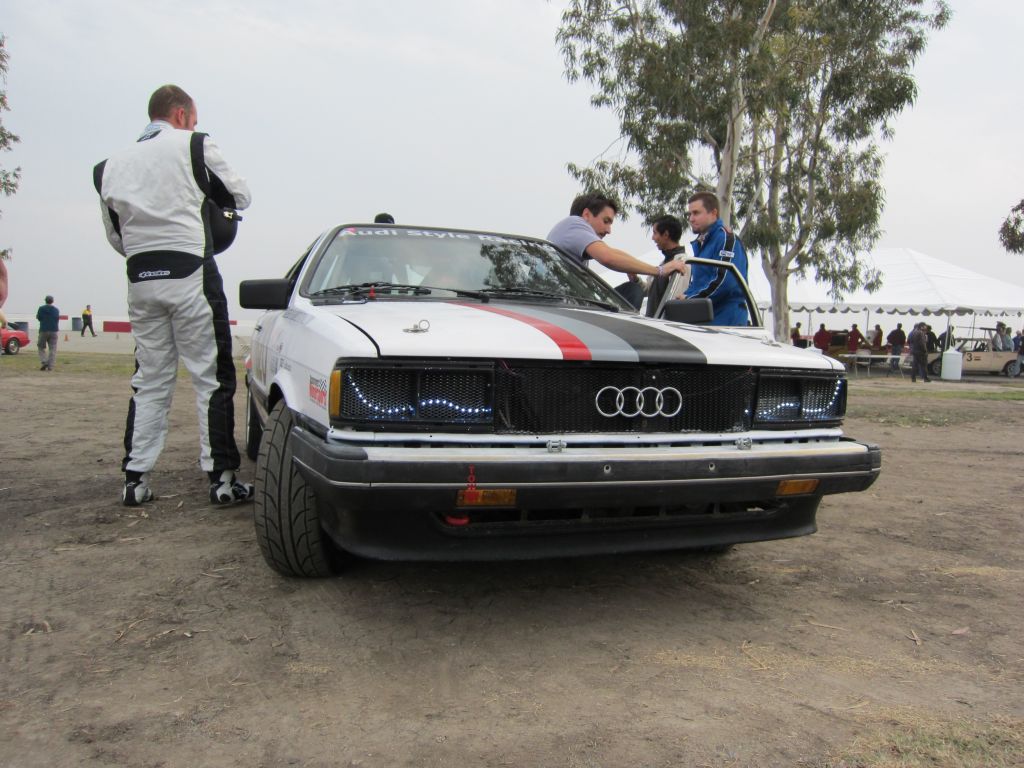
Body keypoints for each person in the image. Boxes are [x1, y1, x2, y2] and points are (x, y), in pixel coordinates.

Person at [94, 84, 254, 508]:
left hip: (141, 278)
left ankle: (134, 480)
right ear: (181, 115)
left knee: (149, 379)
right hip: (191, 272)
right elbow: (240, 195)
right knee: (211, 377)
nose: (195, 125)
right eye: (194, 120)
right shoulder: (194, 145)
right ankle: (222, 479)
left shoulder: (108, 167)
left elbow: (117, 237)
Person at [548, 193, 687, 310]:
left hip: (567, 301)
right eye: (606, 221)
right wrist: (660, 270)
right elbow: (608, 257)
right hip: (560, 303)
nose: (609, 230)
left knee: (629, 291)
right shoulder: (574, 224)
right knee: (632, 291)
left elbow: (611, 252)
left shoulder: (571, 235)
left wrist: (634, 270)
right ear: (586, 215)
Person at [683, 191, 749, 326]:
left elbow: (725, 281)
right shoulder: (702, 243)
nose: (691, 219)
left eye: (696, 213)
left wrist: (690, 298)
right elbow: (699, 283)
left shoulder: (726, 239)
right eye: (689, 214)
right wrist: (684, 297)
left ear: (713, 213)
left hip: (726, 322)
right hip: (706, 320)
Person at [644, 214, 687, 318]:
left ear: (666, 234)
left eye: (655, 233)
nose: (653, 238)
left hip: (663, 324)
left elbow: (676, 299)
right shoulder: (665, 263)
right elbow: (653, 292)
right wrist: (636, 280)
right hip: (653, 322)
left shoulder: (682, 263)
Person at [36, 295, 60, 371]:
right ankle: (50, 366)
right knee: (53, 348)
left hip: (44, 329)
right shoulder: (56, 310)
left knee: (41, 346)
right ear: (52, 301)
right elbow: (57, 319)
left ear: (45, 300)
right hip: (54, 330)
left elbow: (39, 318)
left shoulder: (41, 308)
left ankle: (44, 361)